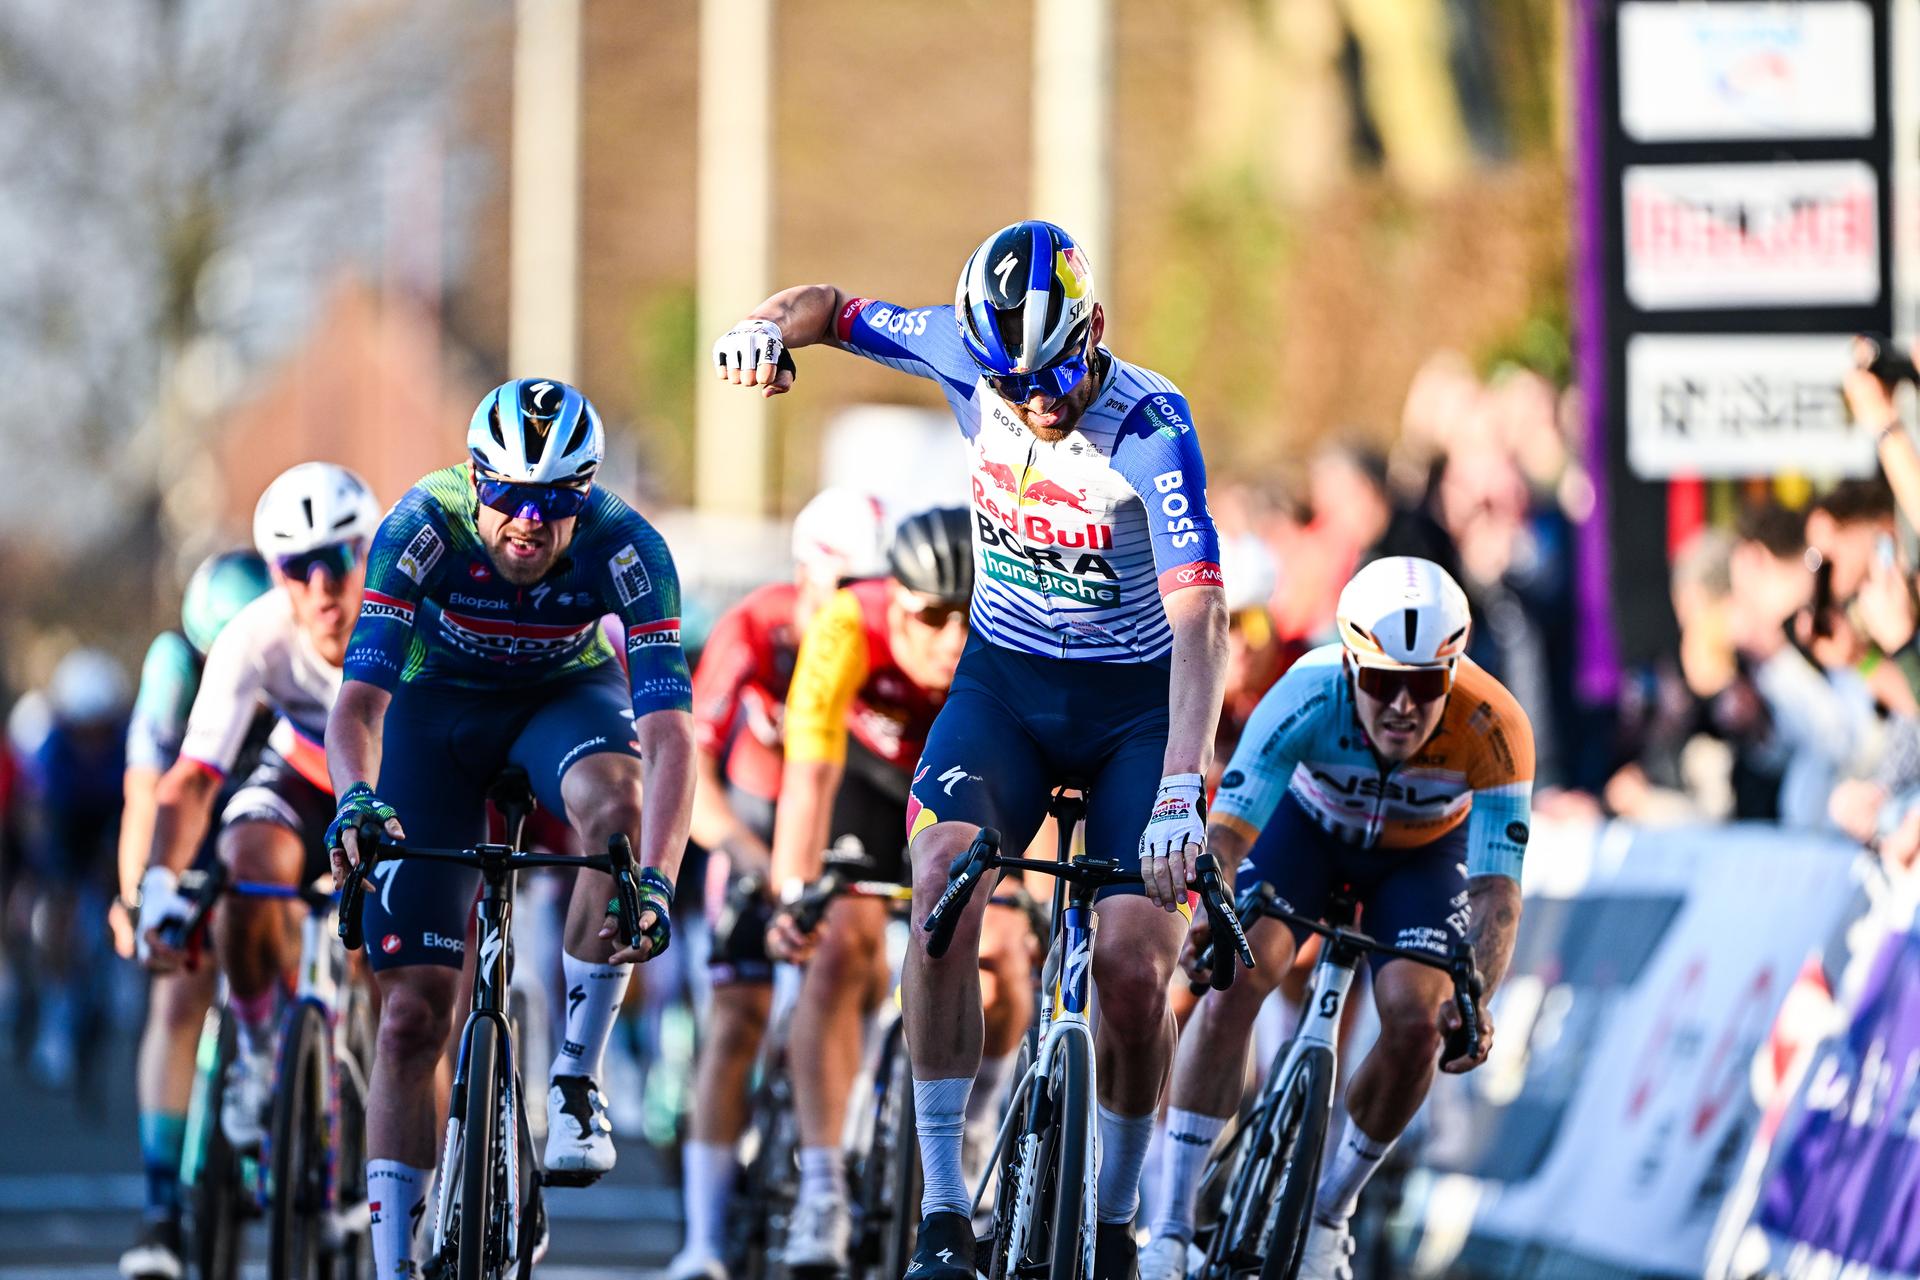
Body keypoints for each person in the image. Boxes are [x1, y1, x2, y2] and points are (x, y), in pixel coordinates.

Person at [712, 218, 1230, 1279]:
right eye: (1012, 381)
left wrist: (1182, 787)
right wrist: (765, 329)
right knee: (945, 881)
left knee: (1134, 968)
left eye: (1055, 372)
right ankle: (944, 1205)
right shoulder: (962, 350)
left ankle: (1119, 1211)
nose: (1038, 401)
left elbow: (1201, 619)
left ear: (1097, 329)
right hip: (1008, 688)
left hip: (1135, 712)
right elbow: (830, 304)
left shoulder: (1151, 425)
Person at [325, 376, 696, 1280]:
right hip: (433, 713)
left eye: (556, 499)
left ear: (587, 495)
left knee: (617, 814)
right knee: (412, 1014)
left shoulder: (628, 545)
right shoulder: (421, 525)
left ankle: (575, 1075)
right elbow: (360, 706)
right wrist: (354, 800)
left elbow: (670, 733)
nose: (529, 521)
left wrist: (660, 875)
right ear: (476, 478)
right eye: (508, 496)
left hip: (562, 700)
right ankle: (391, 1264)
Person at [1138, 556, 1532, 1280]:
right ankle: (1168, 1226)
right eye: (1383, 683)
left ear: (1454, 674)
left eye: (1425, 687)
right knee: (1237, 971)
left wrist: (1475, 995)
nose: (1404, 707)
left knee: (1418, 1022)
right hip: (1307, 835)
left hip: (1419, 860)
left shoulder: (1495, 724)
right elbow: (1226, 835)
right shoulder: (1304, 694)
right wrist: (1208, 919)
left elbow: (1497, 895)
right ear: (1351, 667)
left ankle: (1330, 1215)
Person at [761, 506, 1024, 1271]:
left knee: (1005, 950)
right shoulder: (848, 623)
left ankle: (972, 1126)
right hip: (869, 791)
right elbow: (808, 772)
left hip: (963, 786)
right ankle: (822, 1188)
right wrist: (792, 892)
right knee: (841, 946)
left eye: (964, 618)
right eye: (930, 617)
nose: (949, 639)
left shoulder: (1003, 638)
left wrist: (1024, 904)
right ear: (895, 598)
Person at [667, 487, 891, 1280]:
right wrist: (750, 855)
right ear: (806, 577)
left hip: (845, 827)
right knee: (735, 1021)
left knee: (861, 974)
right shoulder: (756, 628)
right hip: (755, 828)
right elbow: (690, 769)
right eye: (846, 588)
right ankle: (700, 1241)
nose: (862, 607)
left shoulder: (885, 637)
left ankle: (851, 1131)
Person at [138, 464, 380, 1152]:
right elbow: (191, 777)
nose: (322, 587)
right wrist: (156, 886)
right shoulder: (255, 635)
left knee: (408, 976)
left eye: (337, 559)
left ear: (368, 551)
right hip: (305, 773)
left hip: (396, 782)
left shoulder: (412, 615)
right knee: (244, 864)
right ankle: (255, 1046)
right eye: (298, 568)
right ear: (277, 574)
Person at [114, 549, 272, 1280]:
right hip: (197, 814)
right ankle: (160, 1210)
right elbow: (146, 795)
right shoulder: (173, 664)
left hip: (273, 814)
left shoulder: (285, 648)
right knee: (177, 993)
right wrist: (141, 900)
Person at [11, 647, 130, 1088]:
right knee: (56, 909)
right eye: (83, 728)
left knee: (112, 892)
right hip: (66, 825)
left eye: (100, 727)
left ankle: (114, 971)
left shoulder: (125, 742)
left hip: (109, 822)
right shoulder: (53, 748)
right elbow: (39, 815)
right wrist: (45, 875)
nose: (92, 739)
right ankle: (56, 1014)